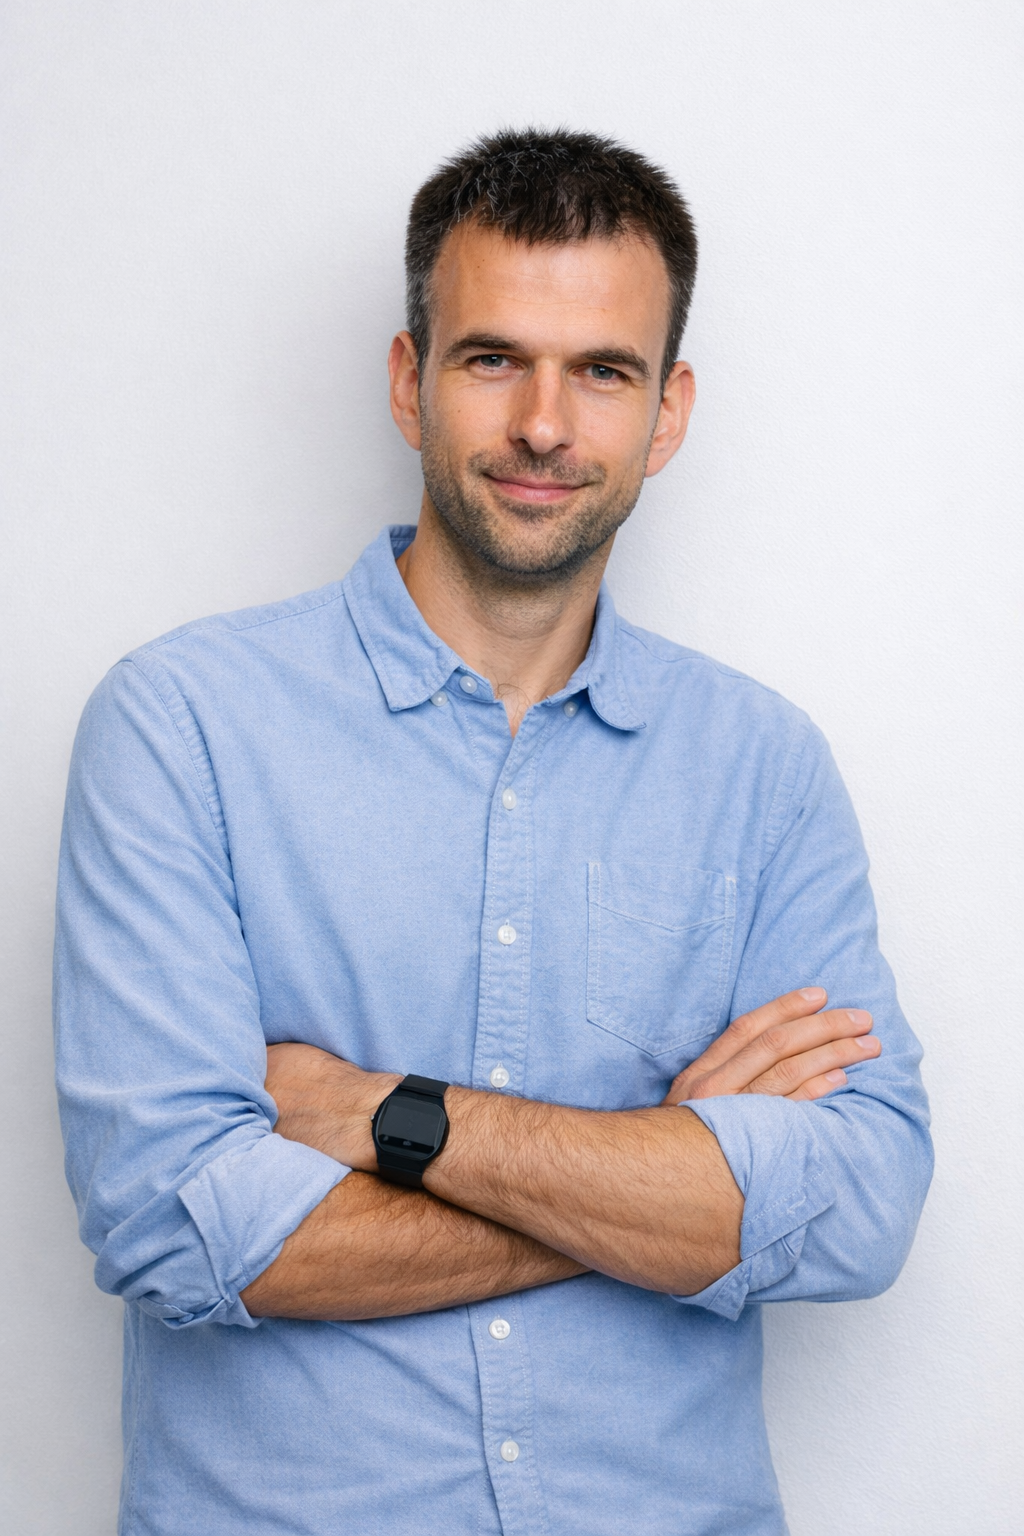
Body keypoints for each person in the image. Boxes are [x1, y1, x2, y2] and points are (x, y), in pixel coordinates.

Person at [54, 129, 932, 1535]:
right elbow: (175, 1224)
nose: (544, 424)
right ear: (411, 382)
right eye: (492, 359)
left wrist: (383, 1118)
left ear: (668, 411)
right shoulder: (184, 727)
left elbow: (864, 1205)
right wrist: (662, 1173)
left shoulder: (762, 768)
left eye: (603, 372)